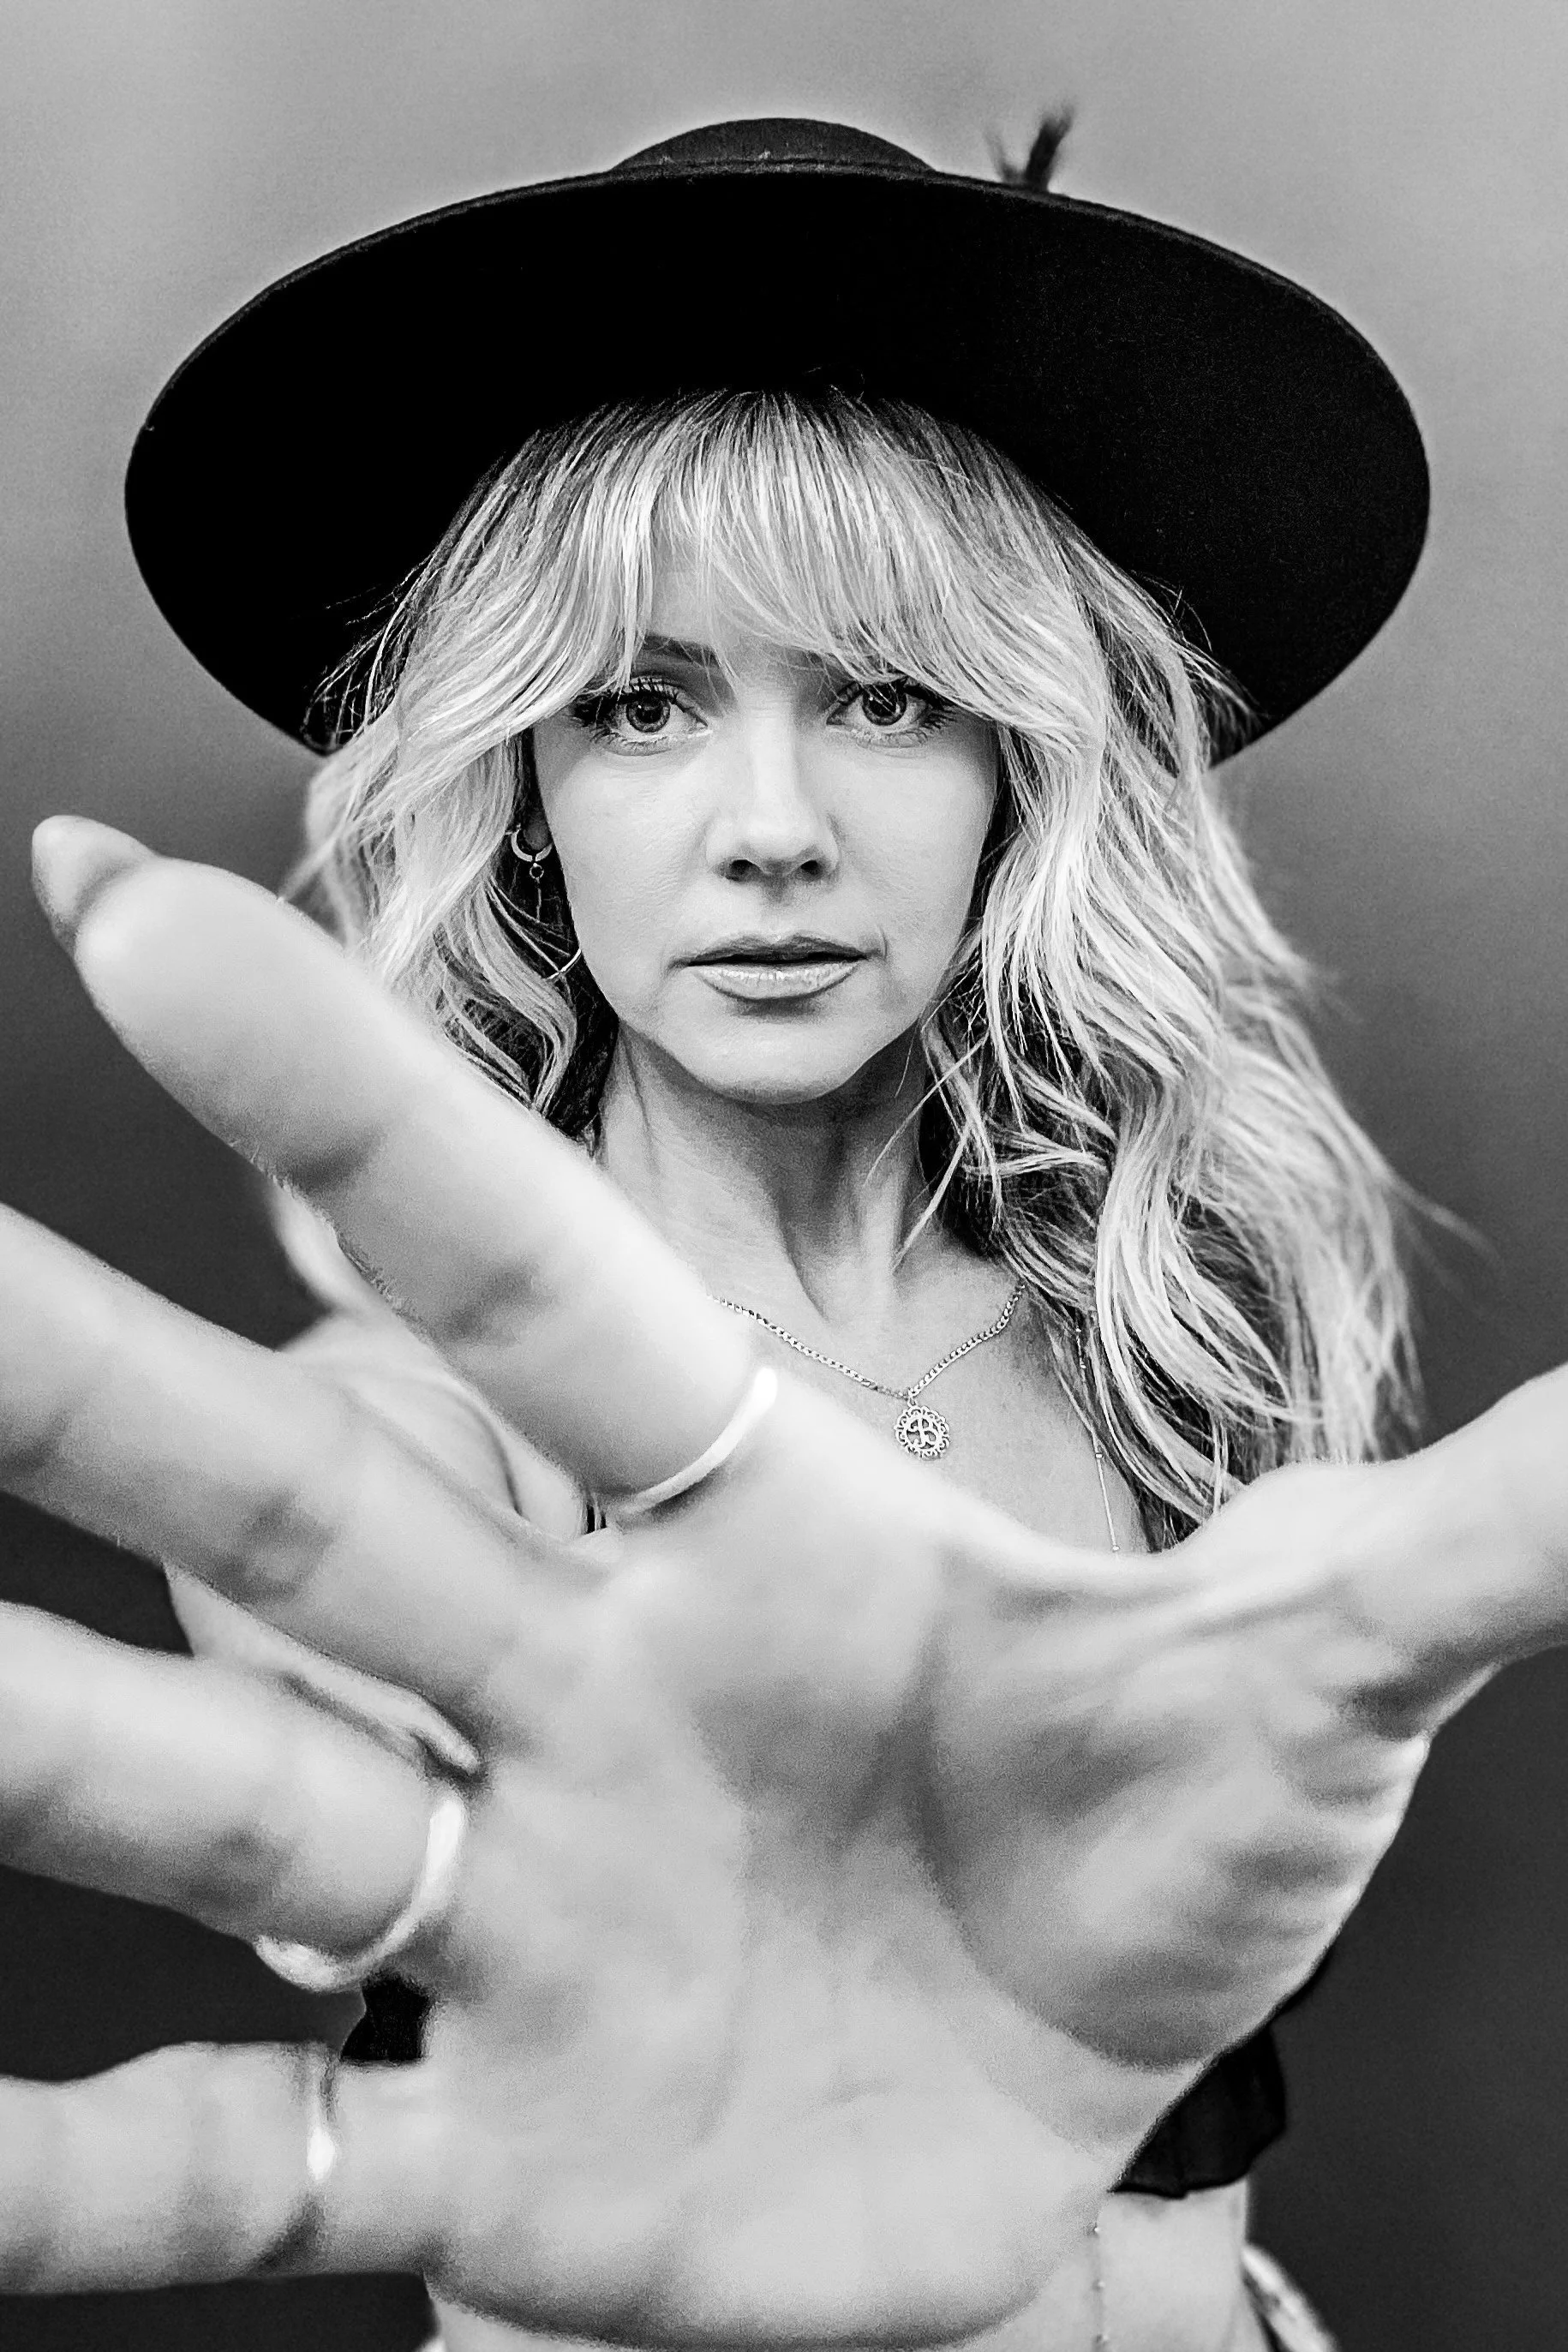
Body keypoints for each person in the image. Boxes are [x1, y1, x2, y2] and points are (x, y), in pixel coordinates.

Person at [1, 113, 1559, 2352]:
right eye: (636, 707)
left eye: (884, 697)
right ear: (519, 800)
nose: (766, 831)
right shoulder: (426, 1432)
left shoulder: (1137, 1330)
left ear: (1021, 775)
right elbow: (348, 1638)